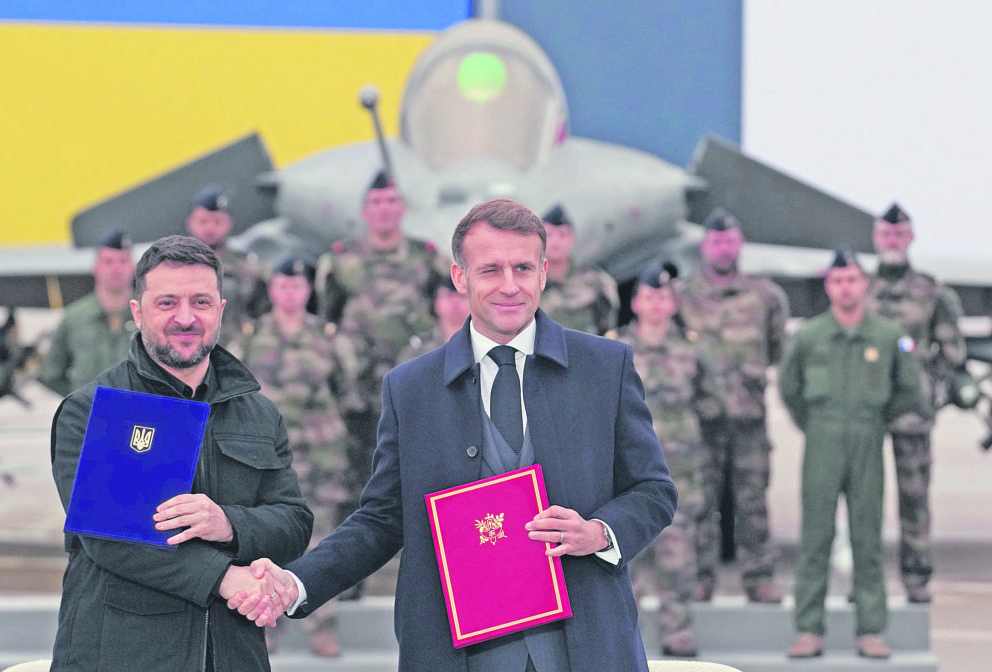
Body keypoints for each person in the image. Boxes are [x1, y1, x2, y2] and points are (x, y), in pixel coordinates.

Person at [232, 198, 677, 671]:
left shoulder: (605, 368)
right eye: (490, 270)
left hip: (586, 646)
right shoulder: (410, 389)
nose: (510, 286)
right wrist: (298, 582)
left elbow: (654, 490)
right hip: (456, 652)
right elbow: (382, 520)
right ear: (460, 277)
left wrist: (600, 532)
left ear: (544, 273)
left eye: (523, 268)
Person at [49, 235, 313, 672]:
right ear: (138, 312)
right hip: (122, 656)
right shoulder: (94, 409)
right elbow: (111, 536)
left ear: (220, 310)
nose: (186, 318)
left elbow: (294, 522)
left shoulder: (258, 412)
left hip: (232, 655)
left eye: (201, 302)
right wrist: (224, 578)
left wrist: (229, 523)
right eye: (167, 303)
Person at [778, 249, 926, 660]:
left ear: (865, 284)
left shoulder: (887, 335)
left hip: (867, 439)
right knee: (815, 537)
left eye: (852, 280)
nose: (845, 288)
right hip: (822, 442)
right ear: (828, 286)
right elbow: (790, 389)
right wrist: (815, 423)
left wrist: (876, 420)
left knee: (867, 537)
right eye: (837, 280)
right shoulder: (809, 336)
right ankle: (808, 629)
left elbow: (908, 389)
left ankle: (871, 629)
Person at [313, 169, 445, 568]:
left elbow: (443, 309)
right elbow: (327, 318)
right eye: (376, 203)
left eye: (391, 201)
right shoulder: (340, 261)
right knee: (354, 475)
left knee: (413, 471)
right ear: (365, 211)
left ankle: (416, 562)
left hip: (411, 387)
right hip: (356, 391)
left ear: (402, 208)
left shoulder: (426, 258)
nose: (384, 209)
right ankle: (351, 569)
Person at [239, 256, 365, 657]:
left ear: (307, 290)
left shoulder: (327, 337)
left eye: (297, 286)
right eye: (283, 285)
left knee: (322, 539)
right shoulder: (251, 337)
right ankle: (264, 623)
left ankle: (322, 625)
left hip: (319, 457)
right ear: (272, 290)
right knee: (264, 539)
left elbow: (348, 392)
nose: (290, 292)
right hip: (265, 458)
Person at [674, 208, 789, 603]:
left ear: (740, 245)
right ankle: (700, 577)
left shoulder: (765, 296)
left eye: (729, 241)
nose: (723, 248)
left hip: (748, 419)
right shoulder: (682, 296)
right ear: (704, 246)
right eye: (716, 241)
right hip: (701, 419)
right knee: (700, 501)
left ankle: (760, 577)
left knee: (752, 501)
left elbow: (776, 349)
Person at [615, 261, 723, 658]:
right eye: (649, 296)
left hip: (680, 473)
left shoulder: (692, 350)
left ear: (673, 303)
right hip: (627, 475)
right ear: (636, 302)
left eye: (664, 297)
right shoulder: (615, 350)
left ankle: (677, 632)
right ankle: (622, 639)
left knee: (678, 556)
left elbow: (712, 405)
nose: (657, 304)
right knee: (626, 557)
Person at [867, 203, 966, 604]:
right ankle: (866, 580)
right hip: (867, 410)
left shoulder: (931, 291)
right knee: (864, 498)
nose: (892, 241)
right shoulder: (860, 289)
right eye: (886, 234)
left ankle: (917, 575)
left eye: (899, 234)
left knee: (914, 496)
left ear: (910, 238)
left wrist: (924, 381)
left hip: (912, 412)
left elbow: (953, 350)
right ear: (876, 238)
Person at [37, 227, 138, 396]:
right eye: (108, 261)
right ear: (95, 267)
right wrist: (79, 401)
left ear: (133, 266)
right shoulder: (75, 318)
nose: (116, 268)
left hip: (137, 409)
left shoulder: (147, 315)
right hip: (89, 411)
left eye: (122, 261)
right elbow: (51, 373)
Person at [185, 183, 268, 353]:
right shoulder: (173, 267)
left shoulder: (249, 269)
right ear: (190, 223)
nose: (210, 228)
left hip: (234, 355)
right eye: (203, 221)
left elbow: (264, 315)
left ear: (229, 223)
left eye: (217, 221)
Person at [537, 204, 619, 335]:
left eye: (562, 235)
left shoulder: (596, 281)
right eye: (549, 235)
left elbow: (608, 327)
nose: (556, 241)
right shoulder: (529, 283)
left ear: (572, 239)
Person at [398, 274, 471, 361]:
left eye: (462, 296)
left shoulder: (483, 344)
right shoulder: (418, 350)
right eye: (447, 296)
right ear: (435, 303)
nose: (455, 301)